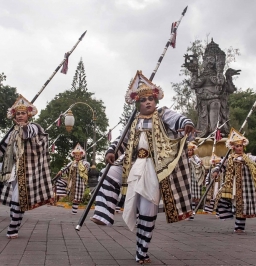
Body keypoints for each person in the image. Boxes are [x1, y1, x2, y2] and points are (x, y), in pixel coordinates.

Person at [90, 71, 195, 264]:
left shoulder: (163, 114)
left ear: (155, 100)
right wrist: (111, 152)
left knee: (147, 211)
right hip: (132, 165)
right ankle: (103, 213)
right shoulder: (133, 121)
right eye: (144, 100)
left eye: (151, 99)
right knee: (108, 171)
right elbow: (121, 141)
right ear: (137, 103)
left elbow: (179, 119)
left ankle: (142, 251)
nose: (148, 102)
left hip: (154, 168)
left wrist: (187, 124)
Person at [0, 94, 53, 239]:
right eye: (17, 113)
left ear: (28, 115)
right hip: (11, 167)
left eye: (23, 113)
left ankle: (13, 228)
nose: (20, 116)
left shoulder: (34, 127)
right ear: (14, 115)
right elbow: (0, 147)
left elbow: (27, 134)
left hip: (28, 170)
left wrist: (21, 128)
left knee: (17, 200)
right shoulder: (12, 132)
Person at [213, 128, 256, 233]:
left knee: (242, 207)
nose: (239, 148)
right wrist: (215, 171)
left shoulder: (248, 157)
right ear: (233, 147)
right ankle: (227, 215)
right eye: (237, 146)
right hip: (231, 185)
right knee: (220, 197)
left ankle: (239, 227)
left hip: (245, 186)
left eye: (241, 146)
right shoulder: (229, 158)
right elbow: (220, 165)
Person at [56, 143, 90, 214]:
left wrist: (80, 164)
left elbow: (87, 168)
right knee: (72, 195)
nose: (77, 157)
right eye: (76, 155)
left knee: (78, 197)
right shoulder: (72, 163)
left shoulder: (84, 163)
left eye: (78, 155)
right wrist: (61, 171)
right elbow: (65, 169)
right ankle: (73, 210)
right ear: (74, 156)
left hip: (80, 182)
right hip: (72, 181)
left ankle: (74, 211)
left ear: (81, 155)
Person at [187, 142, 205, 219]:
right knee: (187, 195)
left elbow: (198, 163)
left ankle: (192, 212)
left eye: (191, 150)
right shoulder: (185, 158)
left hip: (193, 178)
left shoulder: (195, 158)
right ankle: (188, 212)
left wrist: (200, 163)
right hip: (187, 177)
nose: (189, 152)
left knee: (193, 196)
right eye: (188, 150)